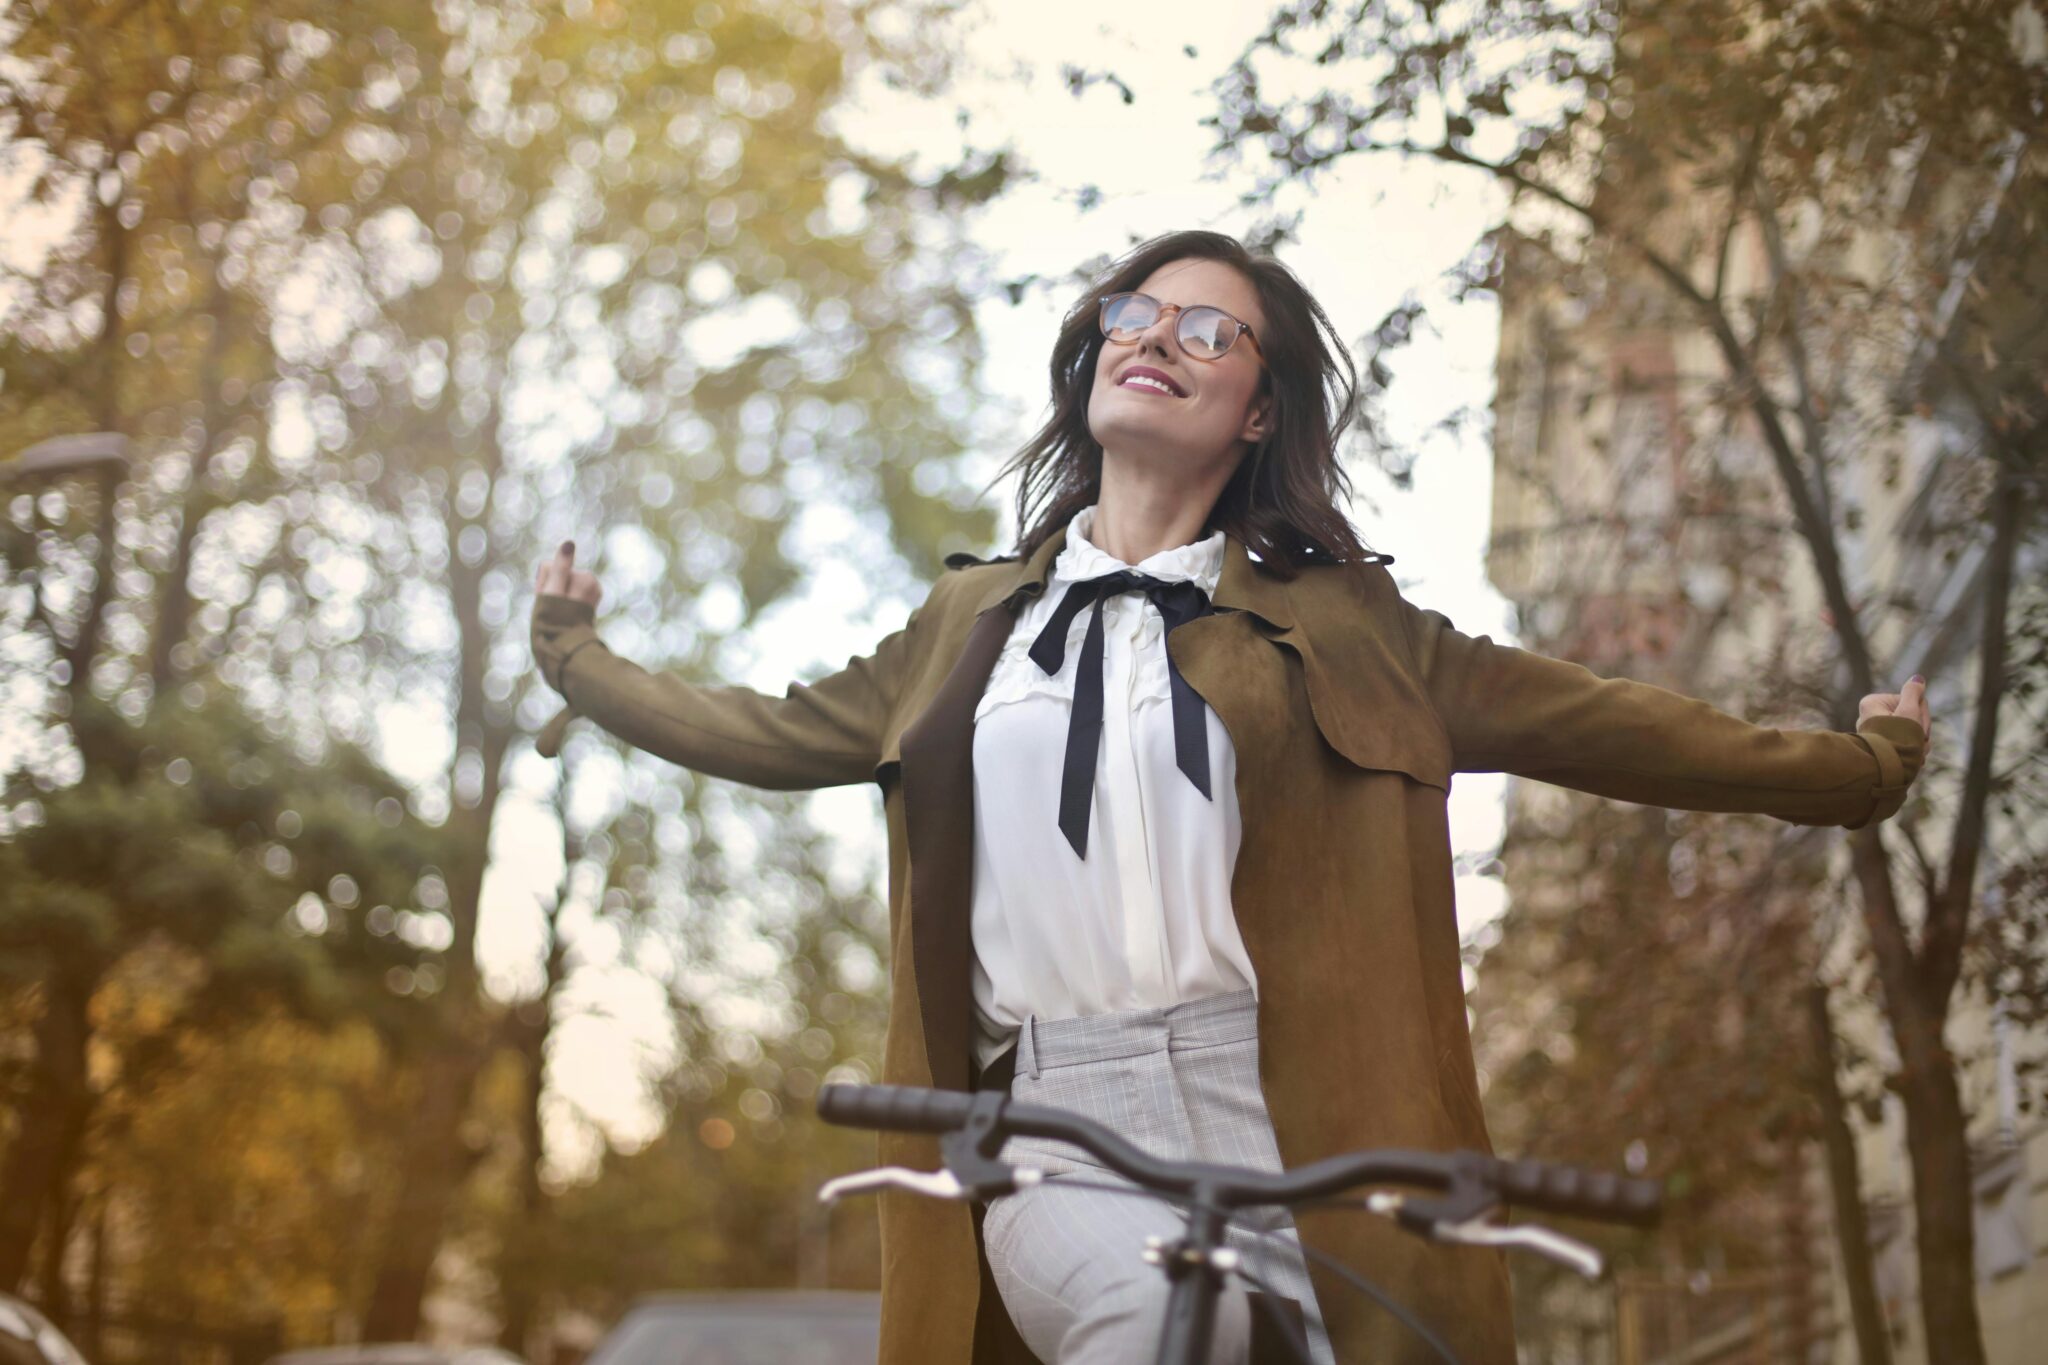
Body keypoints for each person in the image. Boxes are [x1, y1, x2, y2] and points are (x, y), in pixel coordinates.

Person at [530, 229, 1932, 1364]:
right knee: (1154, 1320)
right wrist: (579, 660)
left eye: (1207, 327)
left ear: (1257, 408)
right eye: (1136, 313)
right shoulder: (969, 622)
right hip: (1056, 1117)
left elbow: (1610, 724)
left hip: (1303, 1113)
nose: (1154, 336)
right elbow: (764, 732)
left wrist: (1856, 769)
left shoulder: (1351, 627)